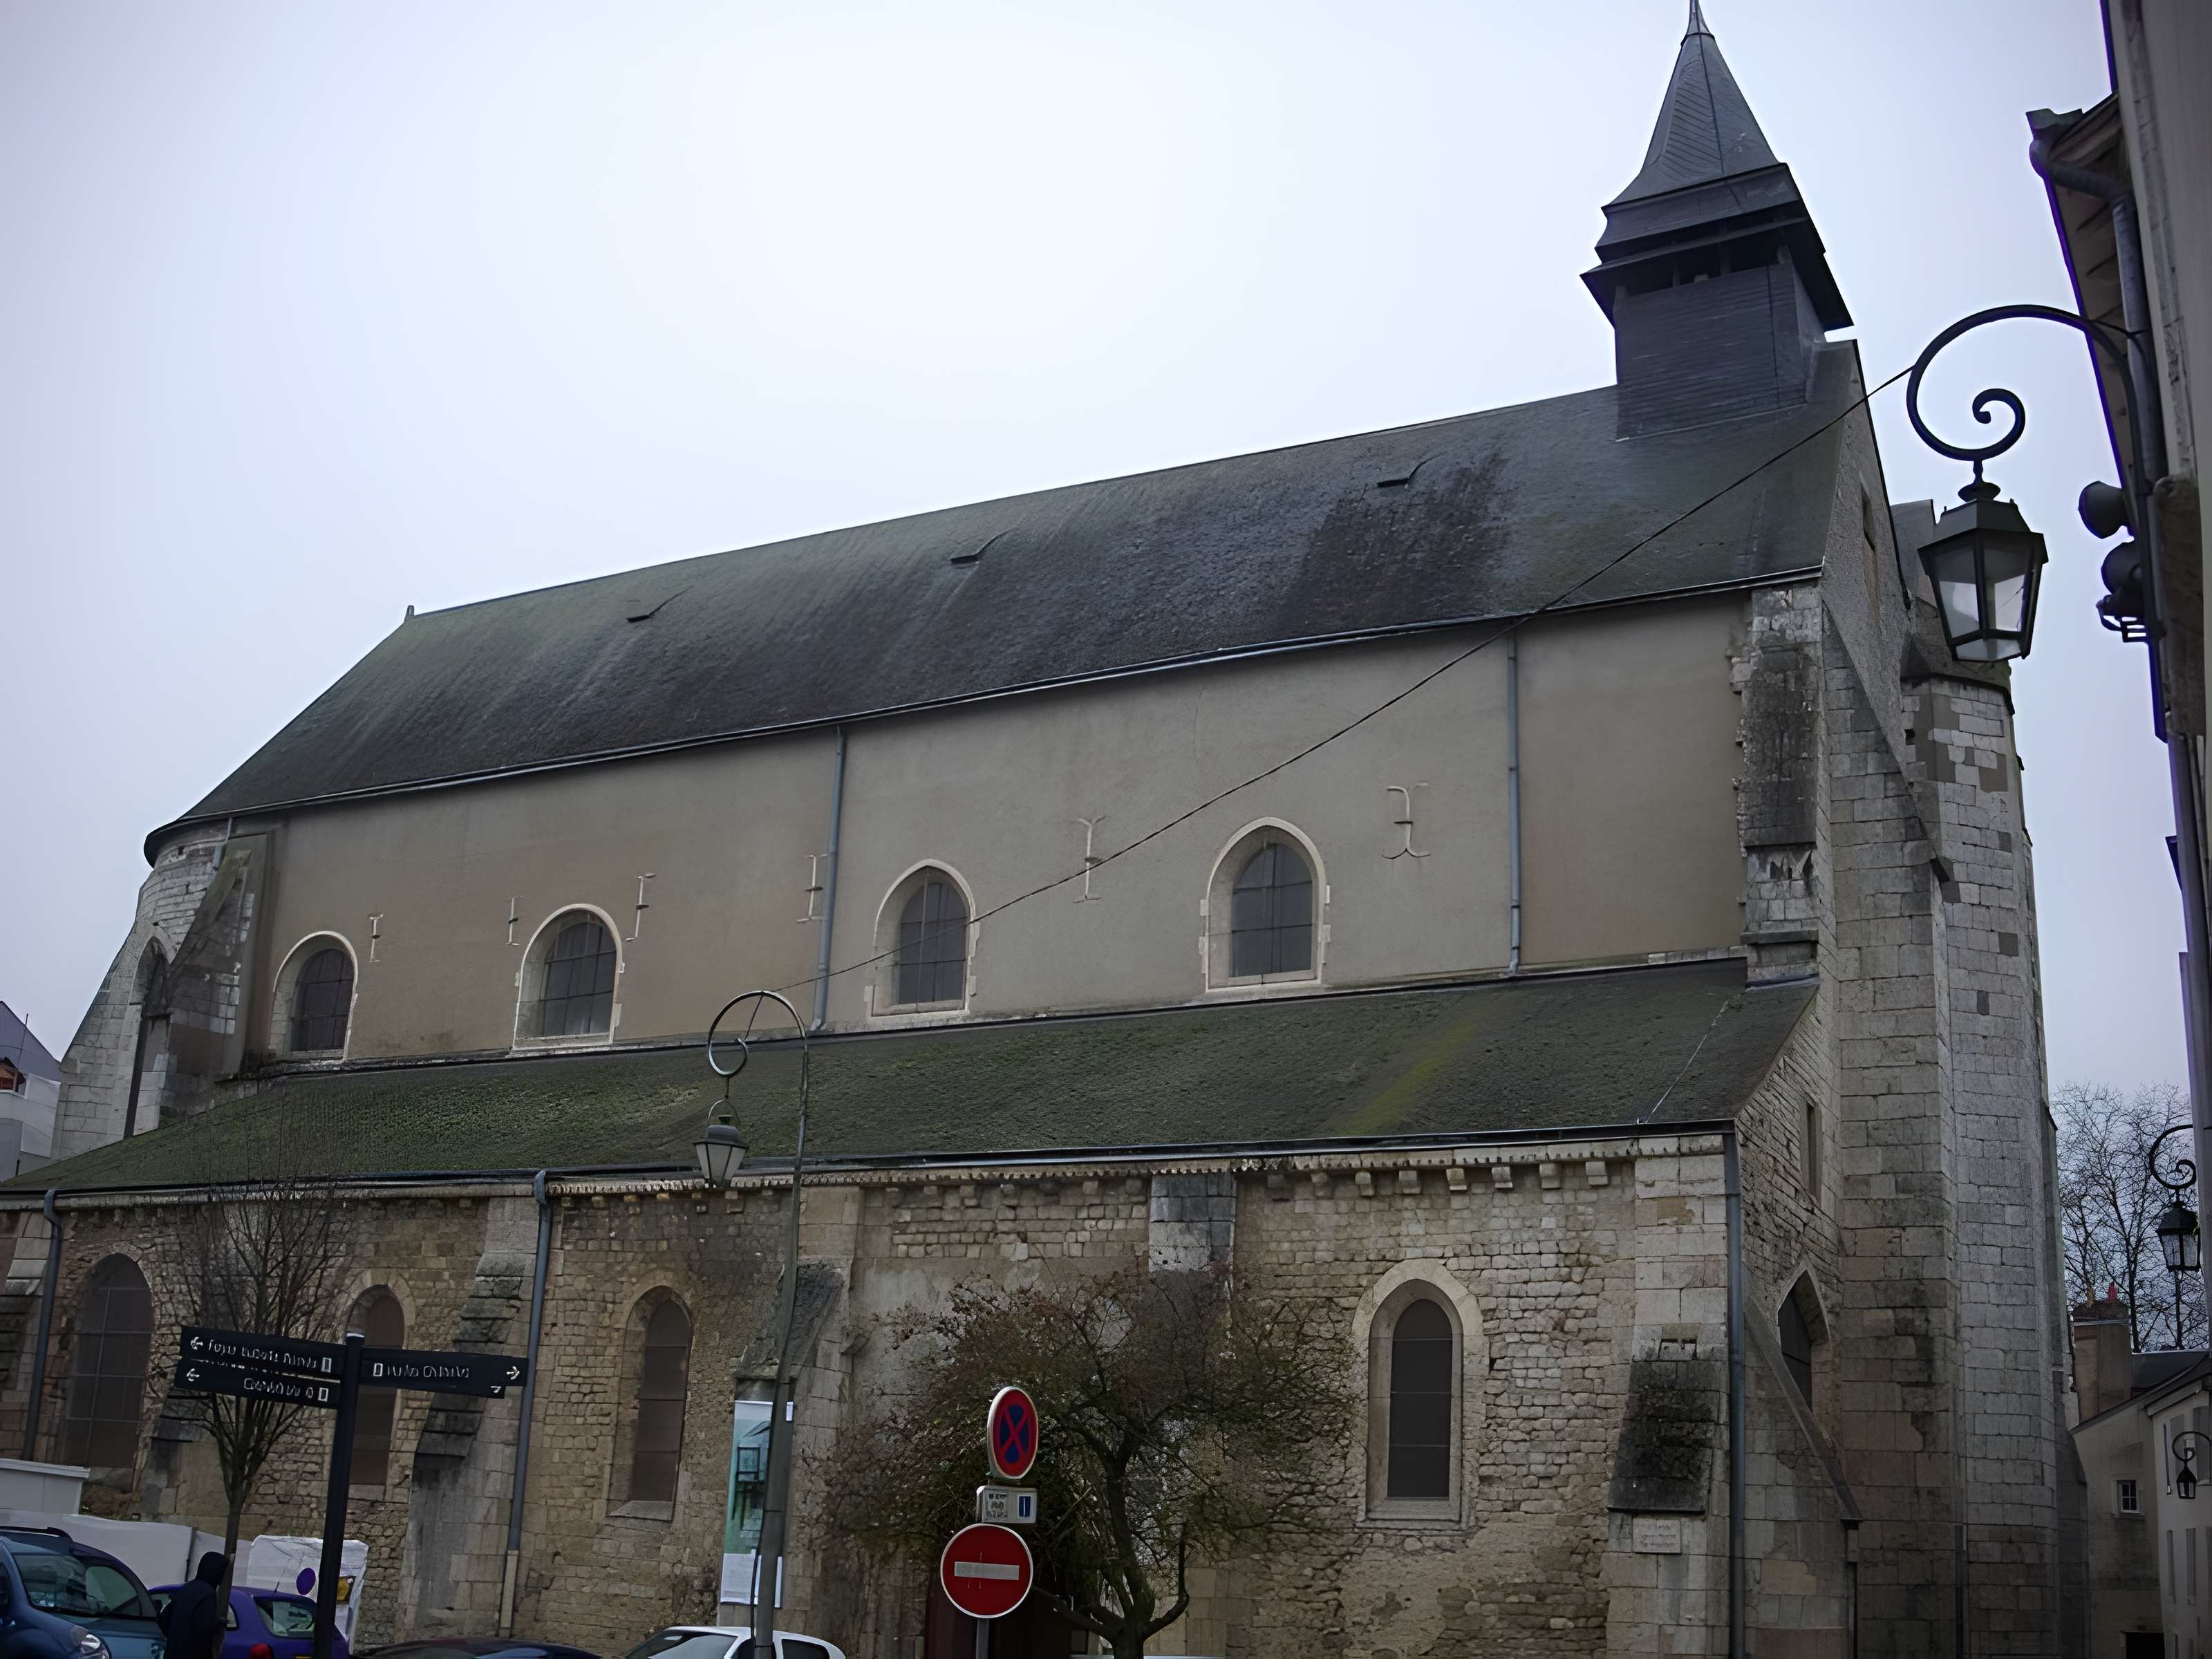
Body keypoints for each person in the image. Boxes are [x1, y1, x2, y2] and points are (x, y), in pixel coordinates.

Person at [157, 1553, 227, 1659]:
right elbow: (204, 1628)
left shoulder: (187, 1587)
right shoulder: (208, 1593)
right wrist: (217, 1624)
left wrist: (176, 1638)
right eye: (222, 1572)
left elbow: (164, 1619)